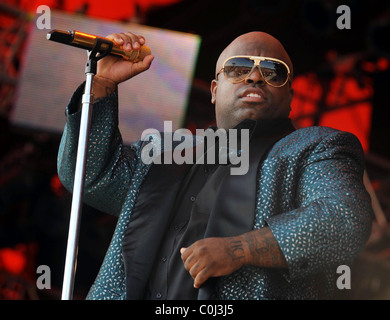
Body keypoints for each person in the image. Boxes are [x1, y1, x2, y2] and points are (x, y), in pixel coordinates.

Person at [57, 31, 373, 300]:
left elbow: (344, 219)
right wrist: (101, 83)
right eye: (237, 68)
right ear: (214, 89)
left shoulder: (314, 148)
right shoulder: (165, 151)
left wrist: (240, 249)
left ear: (290, 95)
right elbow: (89, 176)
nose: (254, 77)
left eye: (273, 72)